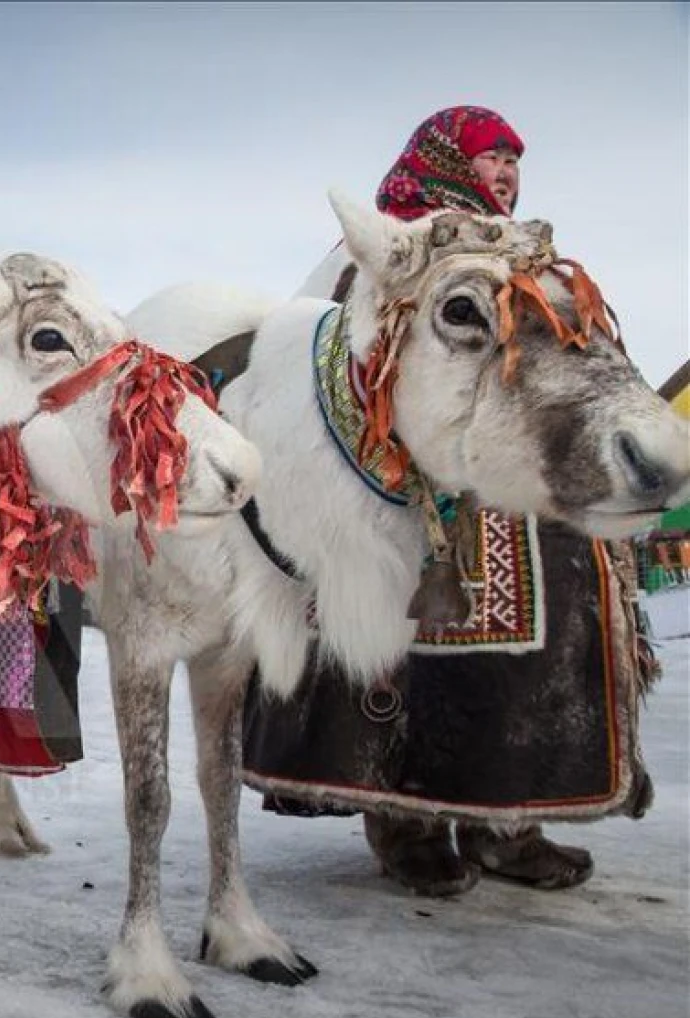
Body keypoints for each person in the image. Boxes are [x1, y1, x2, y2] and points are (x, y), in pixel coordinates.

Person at [242, 106, 656, 897]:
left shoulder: (522, 256)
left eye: (513, 160)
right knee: (403, 667)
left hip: (514, 500)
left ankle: (507, 826)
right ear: (445, 161)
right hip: (407, 494)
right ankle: (407, 825)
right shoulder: (390, 247)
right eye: (491, 156)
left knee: (525, 667)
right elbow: (324, 343)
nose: (506, 172)